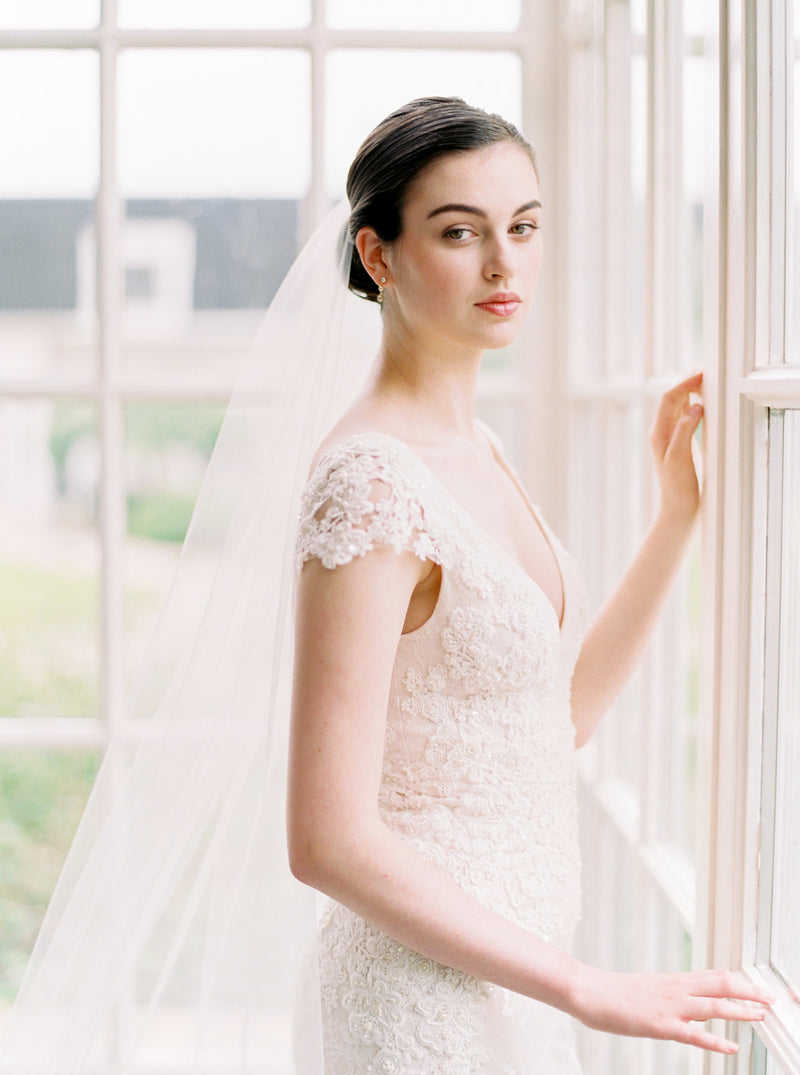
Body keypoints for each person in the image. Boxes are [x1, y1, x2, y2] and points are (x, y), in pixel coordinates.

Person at [286, 97, 773, 1072]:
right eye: (459, 232)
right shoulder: (372, 480)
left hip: (515, 988)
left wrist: (674, 518)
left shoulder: (478, 447)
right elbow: (324, 838)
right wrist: (583, 984)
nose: (504, 264)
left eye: (523, 227)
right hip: (420, 1004)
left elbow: (553, 721)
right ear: (377, 257)